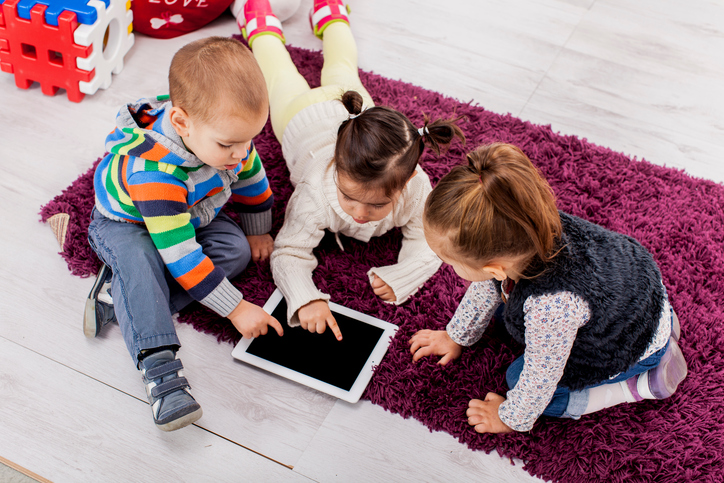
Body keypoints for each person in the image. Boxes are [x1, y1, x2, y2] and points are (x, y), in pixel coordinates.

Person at [409, 142, 688, 433]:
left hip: (632, 345)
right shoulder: (526, 224)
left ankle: (638, 383)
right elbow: (487, 286)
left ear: (494, 268)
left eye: (449, 261)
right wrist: (457, 336)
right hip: (643, 296)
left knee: (520, 379)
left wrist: (509, 418)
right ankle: (665, 326)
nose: (447, 267)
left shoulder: (550, 308)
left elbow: (540, 378)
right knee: (506, 316)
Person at [84, 36, 284, 431]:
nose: (242, 153)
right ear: (181, 123)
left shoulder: (228, 138)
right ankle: (162, 375)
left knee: (236, 250)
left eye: (250, 140)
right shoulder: (153, 174)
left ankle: (124, 299)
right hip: (125, 223)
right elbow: (183, 256)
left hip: (186, 213)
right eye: (229, 144)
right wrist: (236, 308)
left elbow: (251, 177)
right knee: (143, 262)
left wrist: (258, 230)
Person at [238, 0, 465, 339]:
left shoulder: (418, 187)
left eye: (377, 205)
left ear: (407, 184)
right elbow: (289, 250)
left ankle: (331, 16)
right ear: (335, 174)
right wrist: (305, 298)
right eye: (348, 197)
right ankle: (260, 25)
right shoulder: (315, 192)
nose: (359, 214)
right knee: (280, 75)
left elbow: (430, 238)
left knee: (343, 66)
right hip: (299, 118)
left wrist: (404, 274)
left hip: (355, 108)